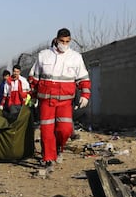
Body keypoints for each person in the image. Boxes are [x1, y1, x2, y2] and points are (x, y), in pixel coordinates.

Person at [29, 28, 91, 171]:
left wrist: (85, 95)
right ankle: (48, 158)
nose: (64, 44)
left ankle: (59, 147)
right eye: (62, 41)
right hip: (46, 101)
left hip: (65, 102)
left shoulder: (75, 57)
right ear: (56, 40)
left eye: (67, 42)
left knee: (65, 130)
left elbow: (83, 78)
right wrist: (33, 97)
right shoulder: (44, 56)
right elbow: (34, 78)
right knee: (46, 130)